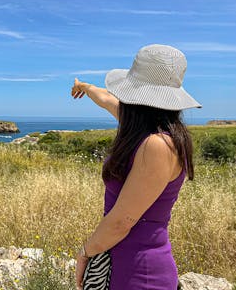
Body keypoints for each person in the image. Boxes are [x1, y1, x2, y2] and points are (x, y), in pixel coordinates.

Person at [71, 44, 201, 290]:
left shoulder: (157, 145)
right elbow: (107, 99)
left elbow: (122, 221)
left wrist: (85, 253)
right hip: (125, 266)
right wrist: (86, 88)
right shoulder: (144, 128)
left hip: (139, 274)